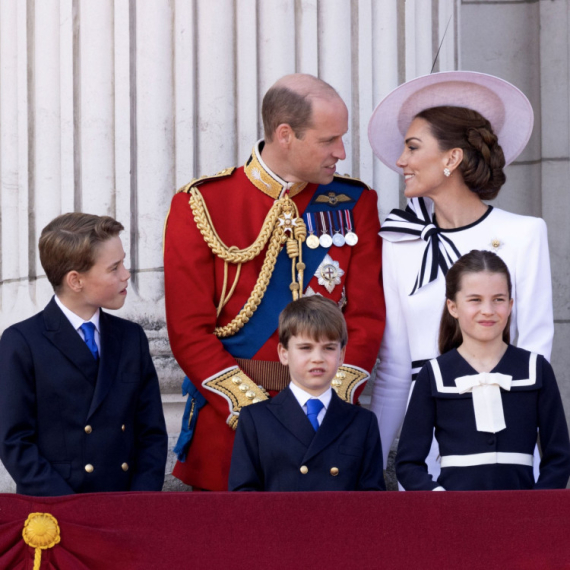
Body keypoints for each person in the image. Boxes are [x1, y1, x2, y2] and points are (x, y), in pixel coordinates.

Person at [164, 73, 385, 491]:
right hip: (232, 432)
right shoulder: (202, 204)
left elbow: (368, 319)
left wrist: (325, 403)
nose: (341, 152)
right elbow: (188, 332)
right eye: (328, 140)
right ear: (286, 135)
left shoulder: (356, 203)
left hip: (327, 430)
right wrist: (256, 416)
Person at [367, 71, 553, 474]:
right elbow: (396, 370)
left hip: (505, 442)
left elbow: (535, 354)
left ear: (452, 158)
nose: (401, 161)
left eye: (413, 148)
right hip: (425, 453)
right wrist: (370, 467)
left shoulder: (524, 234)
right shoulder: (398, 242)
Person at [0, 213, 168, 496]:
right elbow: (15, 442)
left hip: (125, 506)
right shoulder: (22, 342)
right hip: (57, 510)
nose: (126, 274)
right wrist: (68, 508)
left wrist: (141, 502)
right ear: (75, 281)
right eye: (114, 268)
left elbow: (151, 433)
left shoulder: (131, 338)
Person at [396, 250, 570, 490]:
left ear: (510, 305)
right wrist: (439, 500)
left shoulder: (536, 369)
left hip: (523, 518)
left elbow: (559, 457)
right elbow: (408, 463)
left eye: (498, 299)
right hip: (454, 517)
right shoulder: (433, 374)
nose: (488, 310)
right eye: (475, 299)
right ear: (453, 307)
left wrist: (535, 508)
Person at [228, 296, 385, 491]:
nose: (317, 358)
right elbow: (244, 496)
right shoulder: (256, 419)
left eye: (328, 348)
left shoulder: (362, 422)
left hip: (342, 521)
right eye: (305, 348)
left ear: (342, 355)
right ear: (283, 353)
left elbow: (372, 501)